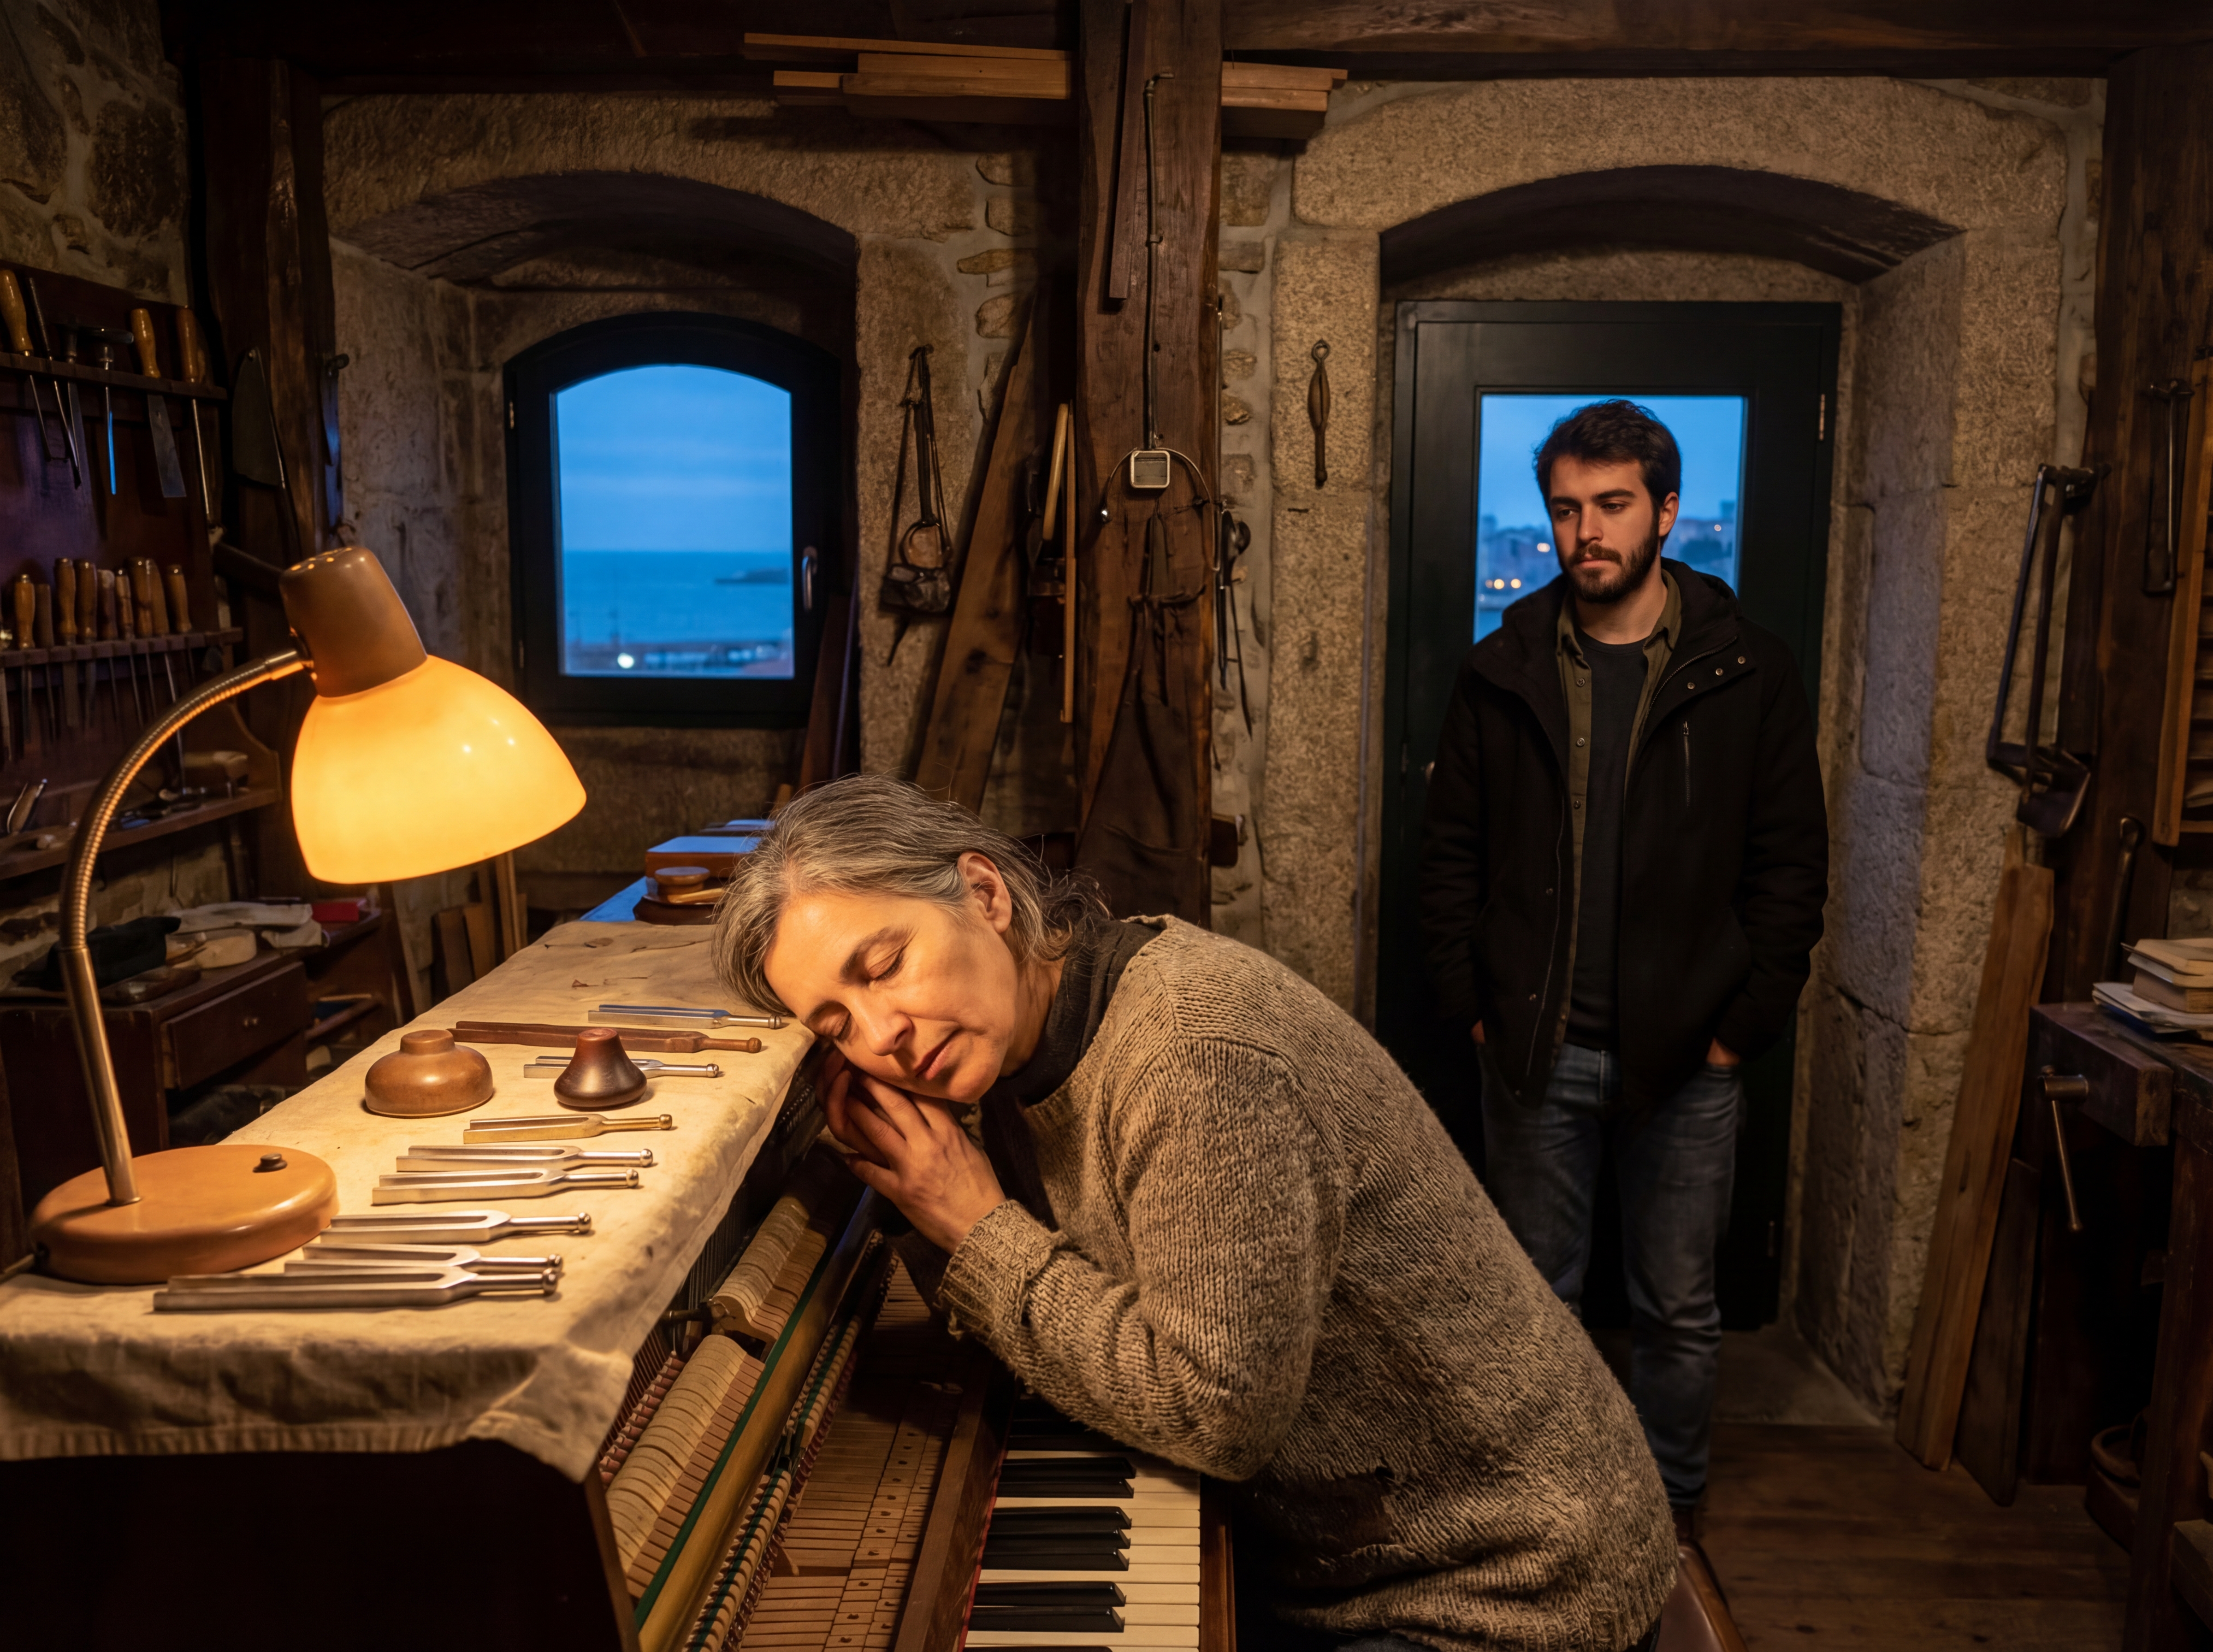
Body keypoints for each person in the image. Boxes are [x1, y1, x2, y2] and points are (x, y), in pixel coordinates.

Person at [716, 773, 1675, 1652]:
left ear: (985, 893)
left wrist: (974, 1226)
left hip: (1502, 1584)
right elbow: (1022, 1329)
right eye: (837, 1026)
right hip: (1339, 1557)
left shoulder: (1193, 1051)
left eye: (884, 964)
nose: (885, 1036)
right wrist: (914, 1199)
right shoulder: (1018, 1045)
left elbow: (1217, 1416)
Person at [1418, 399, 1828, 1534]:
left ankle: (1669, 1522)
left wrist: (1739, 1026)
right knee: (1532, 1305)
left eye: (1611, 506)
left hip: (1690, 1055)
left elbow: (1791, 866)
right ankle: (1548, 1516)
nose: (1586, 531)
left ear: (1667, 512)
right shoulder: (1502, 667)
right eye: (1565, 508)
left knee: (1679, 1311)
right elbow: (1449, 855)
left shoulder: (1750, 670)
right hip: (1535, 1047)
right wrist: (1476, 1005)